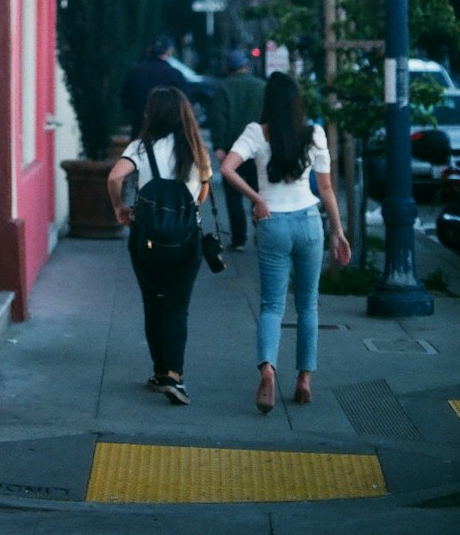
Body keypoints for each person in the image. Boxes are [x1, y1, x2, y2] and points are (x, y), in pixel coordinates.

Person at [221, 71, 351, 414]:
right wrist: (338, 231)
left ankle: (268, 370)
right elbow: (325, 189)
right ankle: (304, 380)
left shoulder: (256, 132)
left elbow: (227, 169)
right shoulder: (314, 134)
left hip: (272, 223)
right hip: (309, 222)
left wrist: (256, 199)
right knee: (308, 304)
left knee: (271, 306)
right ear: (297, 103)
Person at [107, 86, 211, 407]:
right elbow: (202, 196)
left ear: (152, 114)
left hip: (147, 239)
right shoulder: (196, 149)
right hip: (186, 240)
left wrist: (120, 208)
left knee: (154, 302)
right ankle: (174, 377)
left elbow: (114, 178)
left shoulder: (141, 147)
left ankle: (157, 372)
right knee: (178, 306)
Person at [209, 49, 265, 251]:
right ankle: (262, 232)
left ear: (228, 68)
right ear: (246, 66)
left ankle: (239, 238)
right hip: (258, 150)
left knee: (233, 196)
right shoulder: (261, 87)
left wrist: (218, 145)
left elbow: (218, 118)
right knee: (258, 192)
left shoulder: (223, 88)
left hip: (232, 150)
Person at [120, 34, 190, 139]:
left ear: (149, 50)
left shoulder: (134, 72)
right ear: (168, 51)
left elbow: (126, 101)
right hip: (168, 131)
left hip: (141, 127)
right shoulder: (175, 74)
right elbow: (185, 103)